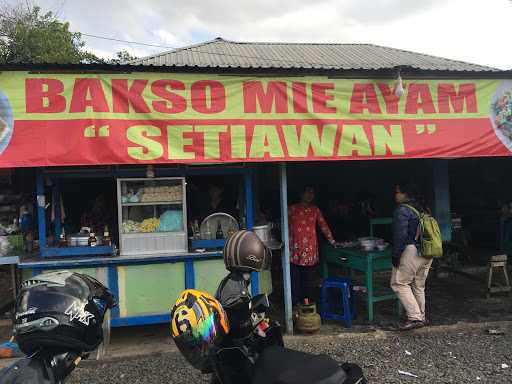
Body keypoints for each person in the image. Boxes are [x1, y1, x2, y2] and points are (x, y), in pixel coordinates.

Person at [391, 182, 432, 330]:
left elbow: (400, 236)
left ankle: (415, 318)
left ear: (405, 194)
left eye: (397, 192)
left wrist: (396, 255)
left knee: (399, 283)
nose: (395, 195)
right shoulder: (423, 207)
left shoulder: (402, 210)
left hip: (412, 250)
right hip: (427, 251)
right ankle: (421, 316)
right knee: (418, 285)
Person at [288, 186, 335, 305]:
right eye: (307, 192)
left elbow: (323, 225)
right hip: (295, 250)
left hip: (310, 251)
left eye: (312, 193)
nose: (309, 195)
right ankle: (294, 303)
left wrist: (332, 241)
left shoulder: (315, 210)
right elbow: (284, 225)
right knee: (295, 279)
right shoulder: (292, 209)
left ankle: (306, 301)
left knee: (308, 280)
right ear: (300, 194)